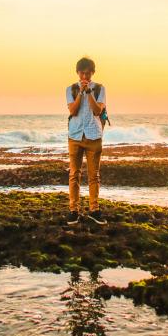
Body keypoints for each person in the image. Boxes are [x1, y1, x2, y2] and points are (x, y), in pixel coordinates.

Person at [66, 56, 107, 225]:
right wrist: (81, 93)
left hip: (93, 135)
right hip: (75, 135)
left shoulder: (99, 88)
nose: (84, 77)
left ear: (92, 73)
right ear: (77, 72)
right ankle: (73, 210)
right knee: (74, 174)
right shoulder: (71, 89)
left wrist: (89, 92)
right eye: (82, 73)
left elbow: (98, 111)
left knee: (93, 176)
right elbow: (73, 110)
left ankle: (94, 210)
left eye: (88, 73)